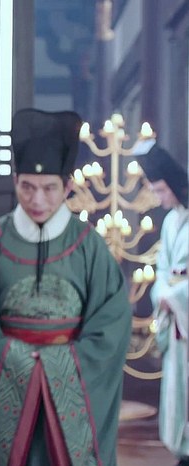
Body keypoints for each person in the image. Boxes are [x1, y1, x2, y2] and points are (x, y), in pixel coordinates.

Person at [0, 108, 132, 465]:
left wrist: (58, 364)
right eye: (27, 187)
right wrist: (18, 360)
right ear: (15, 181)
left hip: (70, 376)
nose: (38, 200)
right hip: (7, 375)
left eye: (49, 188)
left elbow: (111, 324)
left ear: (67, 187)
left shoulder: (89, 246)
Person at [137, 143, 189, 466]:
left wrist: (176, 296)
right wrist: (163, 295)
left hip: (183, 310)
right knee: (176, 389)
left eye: (161, 190)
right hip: (177, 322)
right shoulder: (170, 222)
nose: (158, 198)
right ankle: (181, 448)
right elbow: (163, 270)